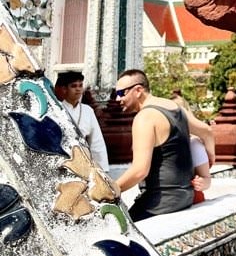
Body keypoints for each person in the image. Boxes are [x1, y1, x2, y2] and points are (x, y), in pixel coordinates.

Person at [114, 69, 215, 221]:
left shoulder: (145, 117)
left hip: (159, 204)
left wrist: (110, 190)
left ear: (138, 90)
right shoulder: (174, 107)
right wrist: (210, 158)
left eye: (122, 93)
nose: (117, 98)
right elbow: (206, 132)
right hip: (185, 197)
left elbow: (140, 171)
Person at [55, 70, 110, 171]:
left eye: (80, 86)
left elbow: (96, 141)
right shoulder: (56, 109)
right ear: (64, 89)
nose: (78, 89)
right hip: (61, 159)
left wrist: (102, 168)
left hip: (83, 161)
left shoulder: (87, 110)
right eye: (74, 86)